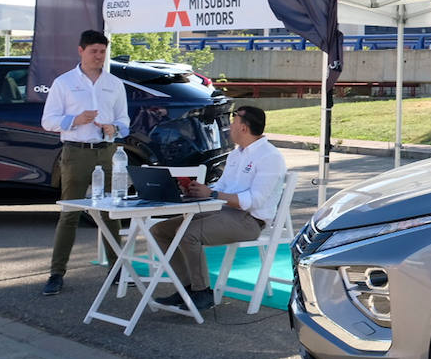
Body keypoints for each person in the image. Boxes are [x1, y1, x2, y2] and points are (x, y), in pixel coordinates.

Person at [151, 104, 286, 313]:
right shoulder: (236, 154)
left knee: (187, 233)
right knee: (159, 230)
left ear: (243, 127)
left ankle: (202, 292)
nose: (229, 126)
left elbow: (255, 201)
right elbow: (221, 188)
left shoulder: (270, 156)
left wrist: (212, 194)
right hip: (222, 212)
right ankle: (185, 288)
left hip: (249, 221)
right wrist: (196, 189)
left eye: (233, 121)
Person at [40, 29, 130, 296]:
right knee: (70, 213)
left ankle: (117, 270)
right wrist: (74, 121)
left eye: (102, 51)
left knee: (110, 212)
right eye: (94, 51)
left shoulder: (114, 83)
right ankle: (56, 273)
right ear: (81, 51)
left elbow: (125, 122)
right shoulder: (64, 83)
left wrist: (113, 128)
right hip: (76, 152)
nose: (99, 56)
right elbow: (48, 121)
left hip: (106, 151)